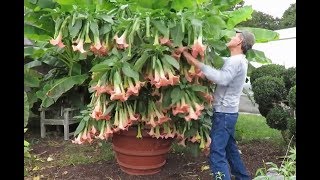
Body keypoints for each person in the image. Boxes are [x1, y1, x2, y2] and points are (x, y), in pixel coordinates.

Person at [180, 30, 255, 180]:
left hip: (225, 114)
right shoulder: (234, 60)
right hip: (227, 113)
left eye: (235, 36)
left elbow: (222, 78)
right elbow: (215, 62)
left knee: (216, 153)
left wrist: (189, 57)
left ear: (240, 42)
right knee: (230, 149)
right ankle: (243, 177)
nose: (231, 37)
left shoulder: (236, 61)